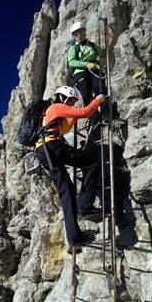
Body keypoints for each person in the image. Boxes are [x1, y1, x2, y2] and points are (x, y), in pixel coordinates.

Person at [35, 86, 104, 252]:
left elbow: (64, 128)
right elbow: (84, 113)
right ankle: (85, 205)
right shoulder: (57, 106)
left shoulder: (48, 112)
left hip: (43, 151)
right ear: (63, 97)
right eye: (71, 100)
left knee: (67, 192)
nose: (73, 103)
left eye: (74, 101)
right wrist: (98, 100)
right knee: (92, 164)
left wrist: (72, 116)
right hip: (53, 146)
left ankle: (74, 238)